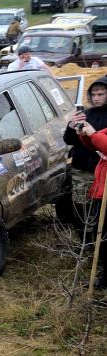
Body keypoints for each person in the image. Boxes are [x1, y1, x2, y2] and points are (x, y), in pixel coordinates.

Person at [75, 119, 107, 288]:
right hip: (101, 190)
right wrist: (85, 135)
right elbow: (99, 143)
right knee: (100, 235)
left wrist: (93, 134)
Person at [64, 77, 107, 172]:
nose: (96, 98)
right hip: (80, 167)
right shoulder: (86, 113)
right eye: (93, 95)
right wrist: (72, 125)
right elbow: (69, 141)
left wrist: (93, 134)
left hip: (102, 169)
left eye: (100, 94)